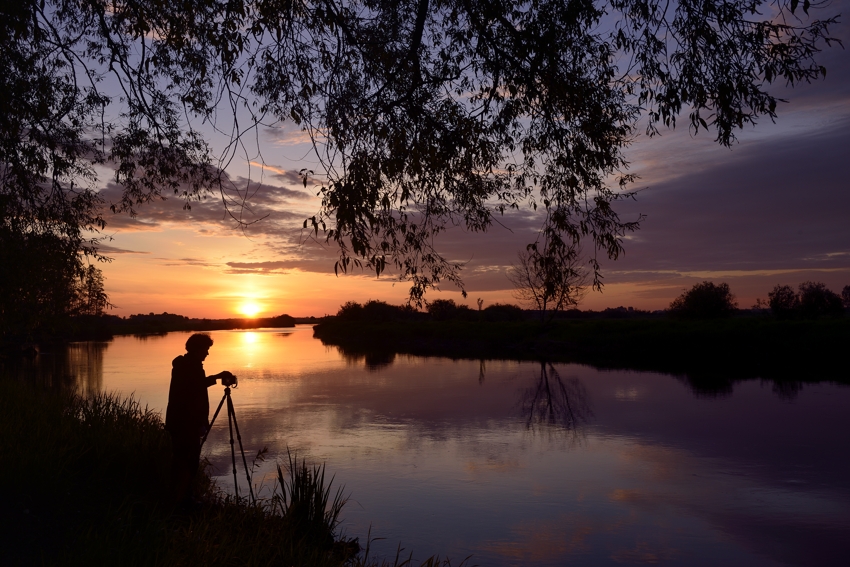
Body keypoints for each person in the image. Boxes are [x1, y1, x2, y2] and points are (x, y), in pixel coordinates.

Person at [164, 333, 236, 505]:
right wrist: (199, 423)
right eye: (206, 349)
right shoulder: (189, 366)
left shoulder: (185, 364)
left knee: (182, 460)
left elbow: (195, 384)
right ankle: (182, 501)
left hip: (180, 421)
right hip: (185, 423)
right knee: (188, 462)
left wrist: (216, 377)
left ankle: (182, 497)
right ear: (198, 349)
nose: (207, 353)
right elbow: (193, 388)